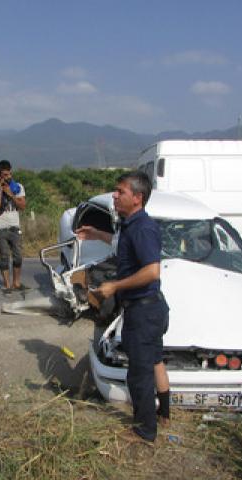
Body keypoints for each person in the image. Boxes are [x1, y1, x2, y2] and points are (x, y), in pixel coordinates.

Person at [76, 171, 170, 442]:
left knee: (139, 374)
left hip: (143, 311)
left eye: (121, 192)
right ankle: (164, 415)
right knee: (155, 363)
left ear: (137, 198)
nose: (115, 196)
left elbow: (152, 271)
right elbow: (121, 245)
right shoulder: (131, 225)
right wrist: (96, 234)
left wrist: (114, 287)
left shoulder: (143, 228)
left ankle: (144, 430)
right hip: (150, 309)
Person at [0, 159, 27, 294]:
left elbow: (22, 206)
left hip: (15, 227)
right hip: (0, 228)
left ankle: (16, 283)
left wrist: (11, 194)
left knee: (18, 256)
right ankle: (7, 285)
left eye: (9, 174)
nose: (8, 177)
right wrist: (0, 192)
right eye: (5, 175)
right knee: (4, 257)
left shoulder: (18, 187)